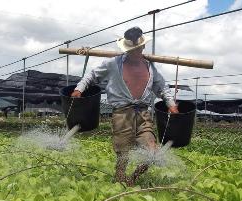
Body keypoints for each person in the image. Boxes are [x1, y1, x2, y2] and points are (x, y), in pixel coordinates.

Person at [71, 27, 178, 186]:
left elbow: (162, 87)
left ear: (143, 47)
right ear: (127, 49)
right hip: (122, 114)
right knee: (123, 152)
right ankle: (120, 179)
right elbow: (92, 75)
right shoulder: (113, 64)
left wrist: (171, 105)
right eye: (132, 50)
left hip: (143, 114)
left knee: (151, 150)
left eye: (138, 49)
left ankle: (134, 178)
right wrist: (79, 89)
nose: (136, 52)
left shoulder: (150, 67)